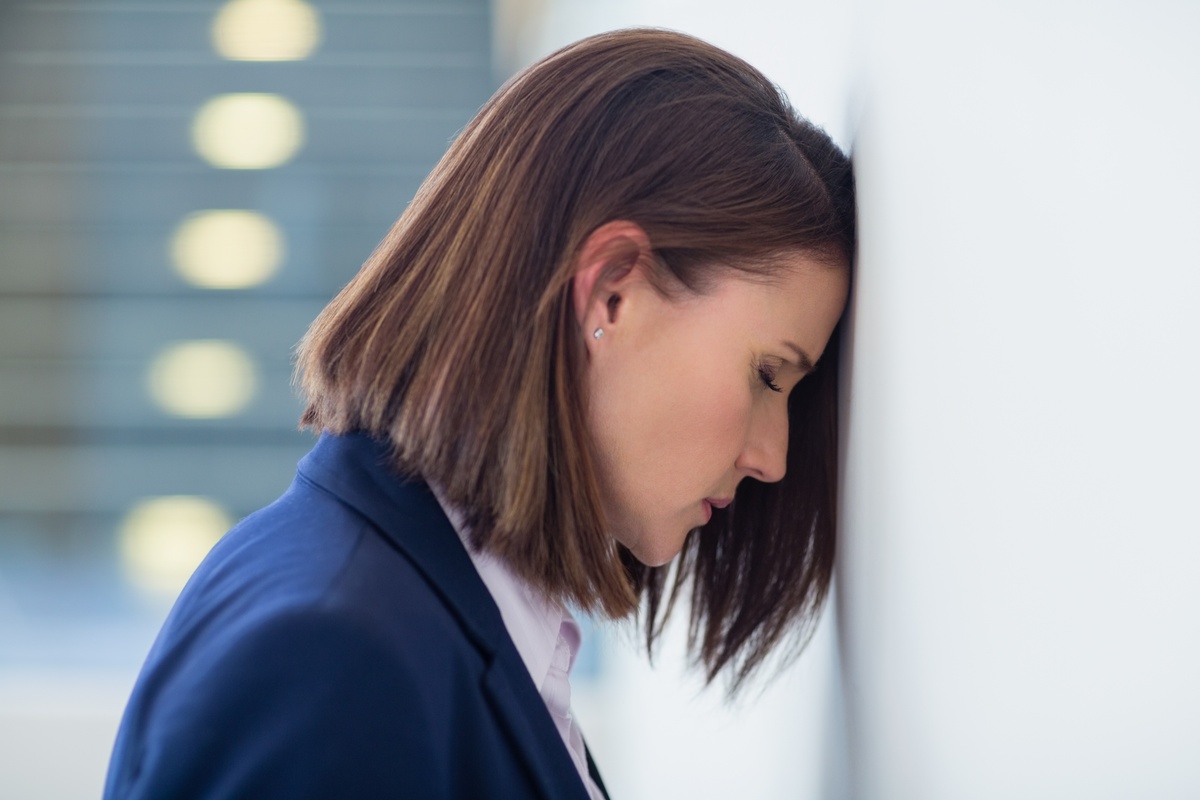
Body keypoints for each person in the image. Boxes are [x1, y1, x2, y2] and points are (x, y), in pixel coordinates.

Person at [103, 28, 854, 799]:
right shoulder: (334, 657)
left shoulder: (444, 614)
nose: (774, 458)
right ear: (612, 294)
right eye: (769, 374)